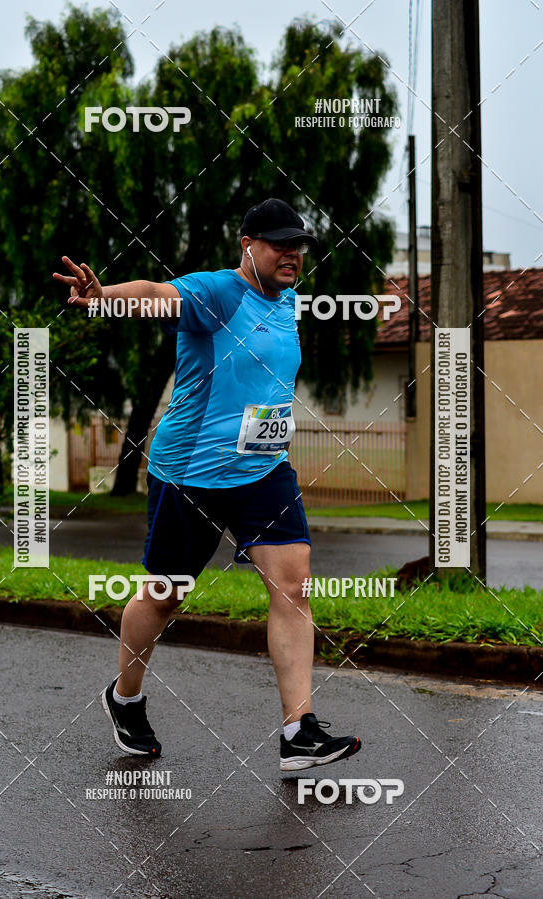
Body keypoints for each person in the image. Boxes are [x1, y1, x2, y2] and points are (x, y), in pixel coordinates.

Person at [53, 198, 361, 771]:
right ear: (248, 244)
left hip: (264, 469)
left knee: (294, 588)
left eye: (298, 246)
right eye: (279, 244)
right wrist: (103, 297)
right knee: (166, 595)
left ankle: (299, 731)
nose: (292, 254)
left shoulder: (289, 300)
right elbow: (154, 294)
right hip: (191, 473)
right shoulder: (217, 293)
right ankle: (125, 699)